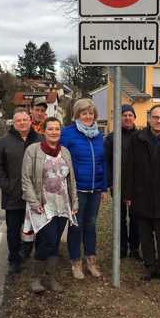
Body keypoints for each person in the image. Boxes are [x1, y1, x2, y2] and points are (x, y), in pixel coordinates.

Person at [124, 104, 160, 285]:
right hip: (142, 195)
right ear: (149, 119)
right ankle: (150, 266)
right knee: (145, 234)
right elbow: (129, 167)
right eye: (155, 117)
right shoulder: (137, 139)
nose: (158, 121)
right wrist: (128, 194)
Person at [22, 117, 78, 293]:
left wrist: (74, 201)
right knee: (48, 240)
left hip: (62, 205)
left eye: (57, 129)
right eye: (51, 129)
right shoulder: (33, 150)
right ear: (44, 131)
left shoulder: (66, 152)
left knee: (54, 243)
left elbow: (71, 180)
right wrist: (33, 201)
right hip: (42, 205)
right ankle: (36, 278)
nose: (54, 132)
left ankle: (52, 278)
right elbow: (26, 179)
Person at [0, 109, 42, 274]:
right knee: (13, 229)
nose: (22, 123)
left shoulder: (40, 140)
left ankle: (29, 254)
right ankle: (14, 259)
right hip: (13, 195)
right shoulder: (4, 142)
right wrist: (6, 185)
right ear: (14, 123)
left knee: (36, 227)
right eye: (18, 120)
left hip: (37, 195)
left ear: (30, 121)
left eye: (25, 120)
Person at [60, 98, 107, 280]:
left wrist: (103, 188)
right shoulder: (68, 133)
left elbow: (103, 162)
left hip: (95, 189)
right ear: (77, 115)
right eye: (84, 113)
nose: (88, 116)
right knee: (76, 226)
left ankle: (91, 261)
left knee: (91, 225)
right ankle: (75, 262)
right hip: (76, 189)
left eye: (90, 113)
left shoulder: (99, 135)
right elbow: (62, 160)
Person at [104, 104, 140, 260]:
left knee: (135, 218)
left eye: (130, 115)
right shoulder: (112, 138)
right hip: (118, 185)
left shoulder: (140, 136)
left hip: (136, 185)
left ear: (134, 117)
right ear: (119, 118)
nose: (127, 117)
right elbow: (106, 161)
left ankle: (134, 248)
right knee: (120, 218)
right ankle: (121, 248)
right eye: (124, 115)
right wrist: (109, 183)